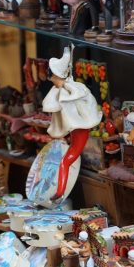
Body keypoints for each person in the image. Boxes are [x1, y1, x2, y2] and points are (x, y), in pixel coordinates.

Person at [42, 45, 102, 199]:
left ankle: (59, 192)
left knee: (66, 162)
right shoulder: (63, 91)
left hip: (80, 131)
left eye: (51, 75)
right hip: (75, 132)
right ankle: (59, 191)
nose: (50, 78)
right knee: (65, 160)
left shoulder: (72, 91)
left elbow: (83, 109)